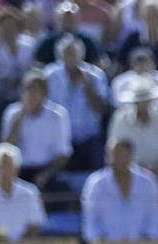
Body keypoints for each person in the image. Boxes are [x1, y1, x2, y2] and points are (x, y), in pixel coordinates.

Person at [44, 36, 109, 172]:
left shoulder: (95, 75)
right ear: (60, 56)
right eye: (67, 54)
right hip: (59, 137)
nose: (71, 58)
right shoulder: (49, 75)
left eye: (74, 54)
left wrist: (88, 86)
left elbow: (101, 109)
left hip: (89, 137)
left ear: (81, 54)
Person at [82, 136, 158, 241]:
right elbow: (91, 223)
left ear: (131, 156)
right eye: (115, 154)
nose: (119, 159)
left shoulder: (148, 182)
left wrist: (148, 243)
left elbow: (155, 220)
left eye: (123, 154)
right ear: (108, 156)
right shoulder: (95, 183)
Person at [0, 71, 70, 190]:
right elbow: (5, 148)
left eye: (36, 90)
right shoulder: (12, 113)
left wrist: (46, 174)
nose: (31, 95)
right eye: (28, 90)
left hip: (46, 170)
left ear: (44, 93)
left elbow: (63, 154)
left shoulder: (58, 115)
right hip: (18, 172)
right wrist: (20, 117)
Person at [107, 75, 158, 172]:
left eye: (146, 100)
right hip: (131, 172)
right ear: (133, 102)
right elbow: (113, 148)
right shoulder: (121, 119)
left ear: (152, 100)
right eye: (139, 101)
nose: (142, 104)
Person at [112, 47, 158, 111]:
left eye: (145, 62)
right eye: (138, 63)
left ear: (154, 63)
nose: (142, 66)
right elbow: (117, 109)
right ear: (131, 65)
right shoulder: (119, 83)